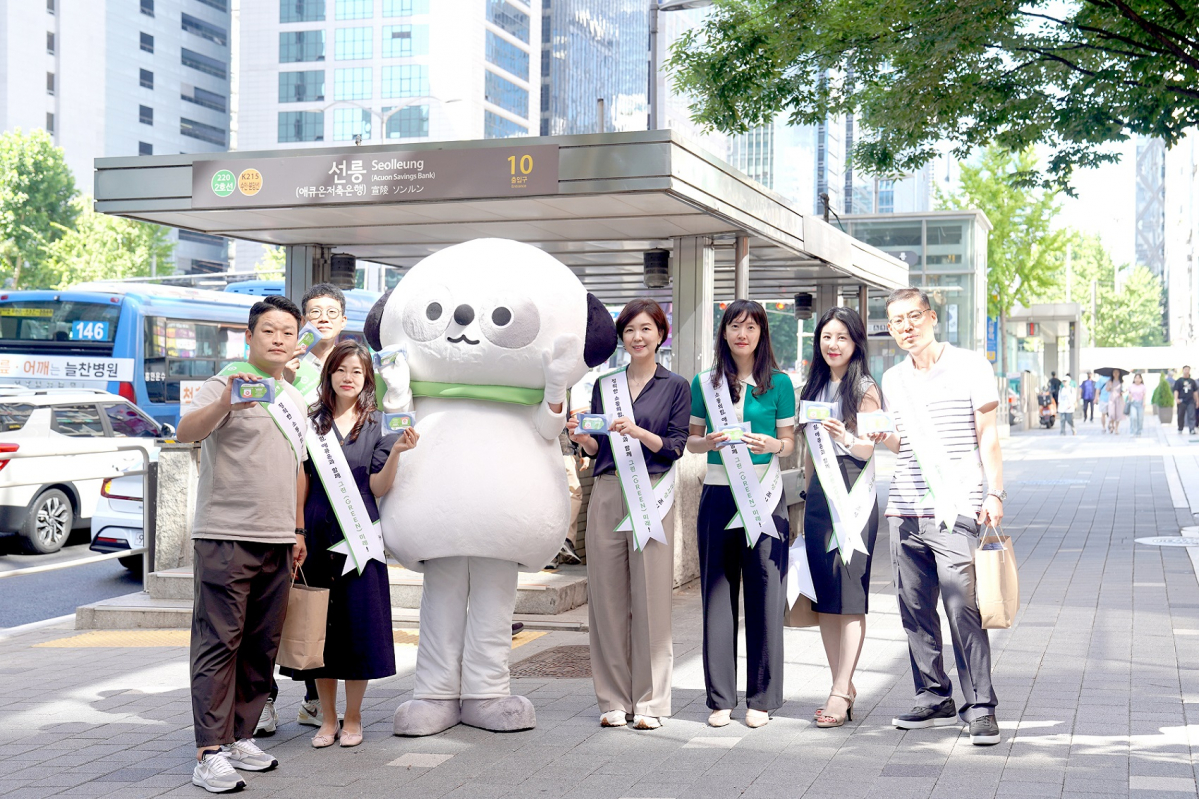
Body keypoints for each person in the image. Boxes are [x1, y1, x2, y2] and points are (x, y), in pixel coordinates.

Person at [177, 295, 309, 793]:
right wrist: (225, 403)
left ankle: (240, 737)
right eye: (269, 331)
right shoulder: (224, 383)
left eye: (287, 332)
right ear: (249, 337)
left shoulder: (292, 398)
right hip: (226, 535)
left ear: (297, 342)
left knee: (260, 646)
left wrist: (297, 532)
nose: (278, 339)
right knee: (218, 643)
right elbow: (184, 431)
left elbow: (299, 468)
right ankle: (208, 751)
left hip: (278, 539)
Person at [867, 288, 1004, 747]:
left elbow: (988, 436)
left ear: (932, 317)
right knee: (915, 608)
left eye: (913, 317)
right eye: (895, 321)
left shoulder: (970, 365)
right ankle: (933, 695)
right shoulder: (893, 379)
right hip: (903, 507)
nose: (905, 327)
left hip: (956, 504)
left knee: (962, 604)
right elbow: (901, 446)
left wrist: (995, 492)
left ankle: (980, 706)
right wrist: (881, 434)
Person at [281, 341, 416, 748]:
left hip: (360, 540)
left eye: (356, 372)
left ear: (367, 379)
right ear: (329, 375)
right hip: (318, 536)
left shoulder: (377, 425)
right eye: (341, 370)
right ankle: (326, 718)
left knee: (358, 627)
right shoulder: (310, 422)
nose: (348, 378)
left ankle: (353, 718)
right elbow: (299, 480)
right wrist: (299, 531)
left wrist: (399, 453)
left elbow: (378, 486)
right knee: (319, 627)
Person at [568, 299, 690, 731]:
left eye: (646, 329)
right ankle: (613, 700)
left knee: (651, 597)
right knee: (606, 599)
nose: (638, 337)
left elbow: (676, 447)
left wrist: (639, 431)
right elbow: (599, 449)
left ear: (661, 334)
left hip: (652, 492)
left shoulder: (675, 385)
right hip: (607, 491)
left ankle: (652, 702)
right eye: (630, 331)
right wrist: (583, 438)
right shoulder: (606, 384)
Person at [687, 299, 795, 729]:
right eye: (734, 326)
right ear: (724, 333)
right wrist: (708, 441)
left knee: (766, 594)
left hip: (766, 497)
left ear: (761, 333)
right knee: (717, 595)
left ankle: (762, 698)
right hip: (718, 494)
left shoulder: (780, 383)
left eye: (750, 326)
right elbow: (691, 442)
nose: (742, 334)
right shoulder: (704, 382)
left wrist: (772, 446)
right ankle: (719, 699)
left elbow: (788, 442)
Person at [798, 308, 882, 729]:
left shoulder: (865, 388)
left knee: (849, 598)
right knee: (826, 598)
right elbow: (809, 453)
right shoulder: (812, 386)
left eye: (841, 338)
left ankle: (839, 690)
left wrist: (844, 436)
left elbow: (870, 449)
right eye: (826, 337)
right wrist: (804, 502)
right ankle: (841, 685)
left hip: (853, 498)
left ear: (855, 344)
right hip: (817, 501)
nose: (832, 345)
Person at [1175, 366, 1198, 435]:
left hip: (1190, 401)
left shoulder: (1192, 381)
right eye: (1185, 369)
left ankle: (1192, 429)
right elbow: (1176, 390)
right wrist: (1176, 399)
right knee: (1180, 415)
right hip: (1181, 400)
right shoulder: (1179, 381)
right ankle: (1180, 428)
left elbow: (1195, 392)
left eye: (1188, 369)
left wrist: (1197, 401)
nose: (1187, 371)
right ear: (1183, 370)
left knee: (1191, 415)